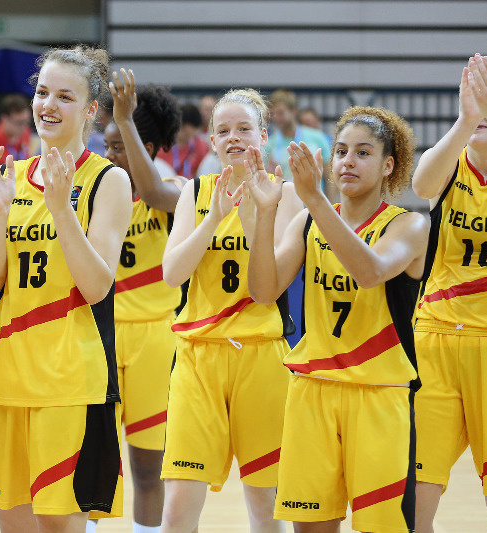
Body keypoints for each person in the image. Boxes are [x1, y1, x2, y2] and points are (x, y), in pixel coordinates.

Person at [0, 44, 132, 533]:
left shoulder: (109, 180)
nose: (48, 106)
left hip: (70, 378)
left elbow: (99, 284)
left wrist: (62, 209)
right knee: (13, 525)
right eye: (42, 93)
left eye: (65, 96)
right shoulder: (13, 177)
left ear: (90, 111)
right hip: (7, 370)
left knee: (58, 526)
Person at [247, 106, 427, 532]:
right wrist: (267, 212)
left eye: (363, 153)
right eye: (342, 151)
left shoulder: (409, 225)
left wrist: (313, 198)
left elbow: (370, 273)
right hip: (312, 390)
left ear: (388, 166)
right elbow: (262, 291)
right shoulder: (308, 222)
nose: (347, 160)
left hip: (378, 393)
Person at [160, 89, 303, 533]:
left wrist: (248, 216)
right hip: (198, 357)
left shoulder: (287, 196)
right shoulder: (195, 192)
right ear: (212, 141)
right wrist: (212, 217)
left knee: (265, 502)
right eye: (223, 130)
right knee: (179, 504)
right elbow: (172, 274)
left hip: (261, 355)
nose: (234, 137)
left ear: (263, 135)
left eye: (244, 128)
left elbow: (269, 287)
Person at [412, 54, 487, 533]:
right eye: (475, 107)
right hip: (437, 338)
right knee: (417, 495)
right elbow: (420, 183)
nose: (484, 113)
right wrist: (469, 117)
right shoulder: (448, 165)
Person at [100, 68, 183, 533]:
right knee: (90, 459)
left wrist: (125, 120)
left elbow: (152, 192)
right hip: (101, 337)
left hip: (156, 340)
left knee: (148, 471)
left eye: (118, 146)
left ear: (147, 149)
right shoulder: (92, 191)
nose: (109, 155)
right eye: (107, 144)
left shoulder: (178, 192)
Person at [264, 89, 333, 197]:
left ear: (293, 111)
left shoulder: (317, 137)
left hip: (316, 208)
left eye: (281, 113)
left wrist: (331, 207)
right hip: (285, 207)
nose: (276, 118)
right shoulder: (270, 144)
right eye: (273, 114)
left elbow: (330, 176)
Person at [0, 93, 39, 160]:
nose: (24, 127)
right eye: (19, 123)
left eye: (26, 122)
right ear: (4, 119)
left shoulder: (26, 133)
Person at [157, 103, 209, 179]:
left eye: (186, 130)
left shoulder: (200, 146)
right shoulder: (162, 146)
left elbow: (205, 172)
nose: (181, 132)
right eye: (181, 128)